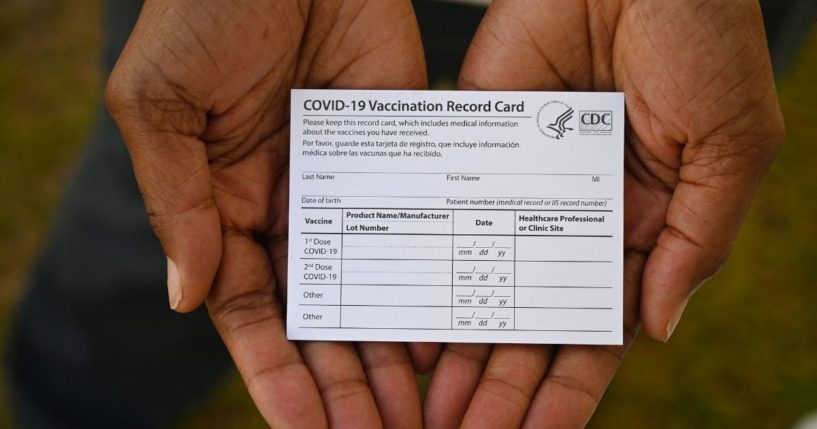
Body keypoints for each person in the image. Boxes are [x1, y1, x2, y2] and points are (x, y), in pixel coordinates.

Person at [8, 0, 791, 427]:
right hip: (265, 26)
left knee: (608, 252)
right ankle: (69, 402)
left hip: (629, 28)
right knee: (180, 224)